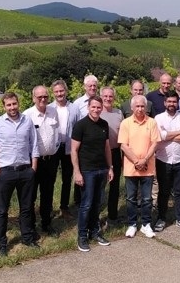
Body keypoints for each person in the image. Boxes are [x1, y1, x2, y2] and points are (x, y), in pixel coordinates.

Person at [0, 92, 40, 256]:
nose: (12, 107)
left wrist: (33, 169)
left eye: (14, 104)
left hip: (25, 171)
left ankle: (27, 237)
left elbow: (34, 145)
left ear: (18, 104)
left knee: (27, 207)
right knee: (2, 210)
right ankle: (2, 244)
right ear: (4, 106)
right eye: (8, 105)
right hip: (6, 172)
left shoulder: (27, 121)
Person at [71, 96, 114, 252]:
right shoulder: (80, 125)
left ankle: (94, 232)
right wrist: (77, 172)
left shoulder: (104, 124)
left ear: (102, 108)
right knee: (86, 204)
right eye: (93, 107)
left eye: (98, 107)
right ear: (88, 107)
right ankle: (82, 236)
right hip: (87, 171)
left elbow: (107, 148)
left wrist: (110, 167)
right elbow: (74, 150)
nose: (96, 110)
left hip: (101, 169)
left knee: (98, 203)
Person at [118, 95, 160, 238]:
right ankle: (132, 224)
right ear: (132, 108)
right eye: (137, 106)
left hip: (148, 167)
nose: (140, 109)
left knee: (147, 198)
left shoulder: (152, 123)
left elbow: (155, 143)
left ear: (146, 107)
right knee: (131, 198)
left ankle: (146, 224)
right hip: (131, 168)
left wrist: (145, 160)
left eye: (142, 106)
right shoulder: (125, 123)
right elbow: (123, 145)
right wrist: (137, 161)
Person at [24, 86, 60, 237]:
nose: (43, 99)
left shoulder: (53, 111)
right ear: (33, 98)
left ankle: (46, 224)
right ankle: (31, 227)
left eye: (45, 96)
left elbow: (56, 132)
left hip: (50, 160)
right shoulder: (27, 115)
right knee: (31, 195)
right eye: (39, 97)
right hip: (34, 161)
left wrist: (56, 149)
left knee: (47, 193)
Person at [153, 91, 180, 232]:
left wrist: (167, 135)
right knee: (163, 192)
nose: (171, 104)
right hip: (163, 160)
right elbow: (159, 136)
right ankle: (161, 218)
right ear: (165, 103)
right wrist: (178, 132)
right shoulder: (158, 118)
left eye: (174, 102)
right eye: (169, 102)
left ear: (178, 103)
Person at [49, 80, 81, 219]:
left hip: (68, 148)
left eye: (61, 91)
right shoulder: (49, 108)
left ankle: (64, 207)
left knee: (67, 179)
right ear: (53, 93)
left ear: (66, 91)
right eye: (56, 91)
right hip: (53, 148)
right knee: (49, 179)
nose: (59, 94)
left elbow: (78, 128)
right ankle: (48, 207)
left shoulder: (74, 108)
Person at [99, 87, 123, 226]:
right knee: (100, 187)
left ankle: (112, 217)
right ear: (101, 96)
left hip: (115, 153)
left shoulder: (119, 113)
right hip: (100, 154)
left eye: (110, 96)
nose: (108, 99)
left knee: (114, 187)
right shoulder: (96, 112)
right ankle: (96, 218)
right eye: (105, 96)